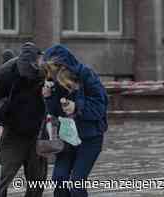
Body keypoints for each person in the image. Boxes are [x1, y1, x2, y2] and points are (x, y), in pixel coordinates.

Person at [42, 44, 108, 197]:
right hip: (67, 137)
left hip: (90, 138)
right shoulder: (54, 80)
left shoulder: (86, 74)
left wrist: (77, 107)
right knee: (59, 180)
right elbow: (54, 111)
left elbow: (100, 106)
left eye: (54, 68)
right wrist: (49, 97)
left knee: (76, 184)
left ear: (63, 65)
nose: (51, 72)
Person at [0, 42, 47, 197]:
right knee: (2, 177)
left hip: (38, 133)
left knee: (37, 180)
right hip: (14, 132)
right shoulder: (6, 73)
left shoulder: (45, 71)